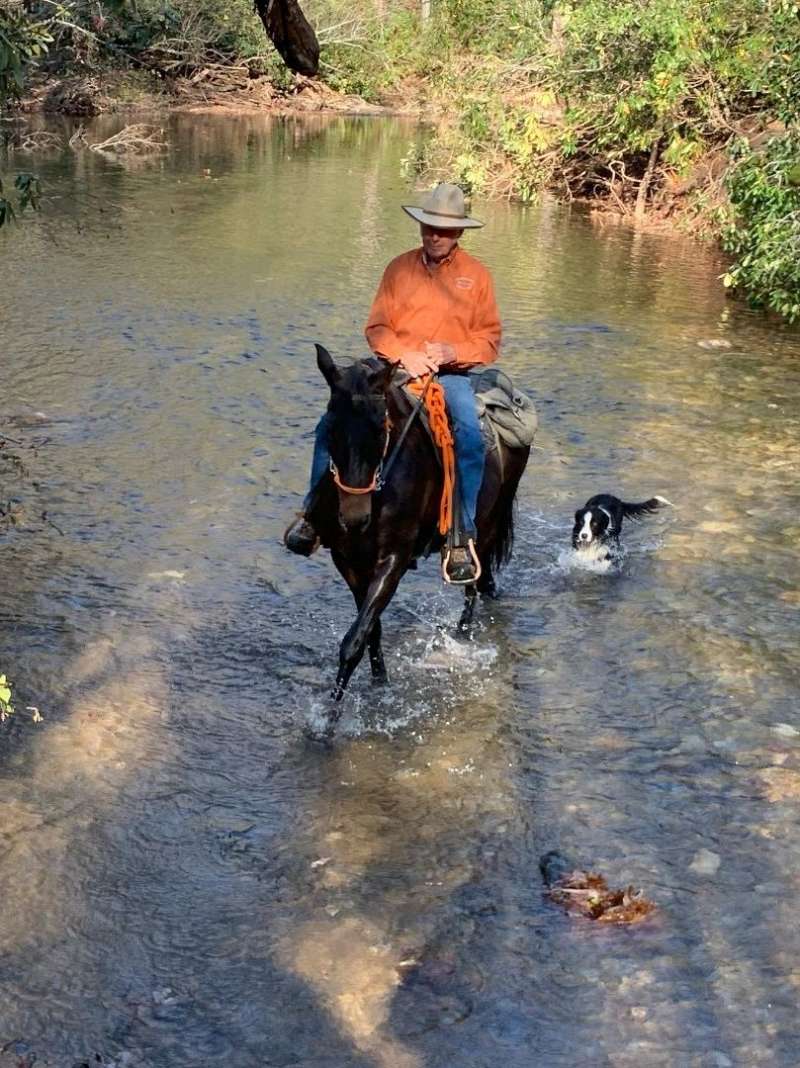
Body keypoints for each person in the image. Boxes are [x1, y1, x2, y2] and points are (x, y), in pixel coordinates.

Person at [285, 182, 501, 582]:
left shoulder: (477, 276)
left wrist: (452, 353)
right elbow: (378, 326)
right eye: (428, 227)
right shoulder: (398, 268)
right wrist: (405, 355)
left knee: (470, 435)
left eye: (444, 229)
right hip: (393, 367)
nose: (434, 235)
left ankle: (461, 533)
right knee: (330, 425)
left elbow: (489, 340)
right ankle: (312, 516)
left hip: (447, 376)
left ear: (459, 233)